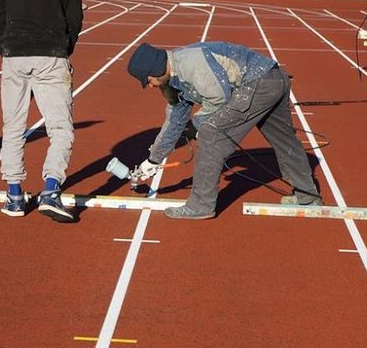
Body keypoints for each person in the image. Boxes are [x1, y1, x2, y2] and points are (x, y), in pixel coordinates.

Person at [126, 42, 321, 220]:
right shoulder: (171, 79)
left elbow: (220, 99)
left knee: (211, 135)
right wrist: (153, 159)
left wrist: (196, 125)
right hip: (274, 78)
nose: (150, 86)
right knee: (284, 140)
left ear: (157, 69)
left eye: (149, 80)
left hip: (258, 83)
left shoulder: (190, 63)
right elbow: (174, 121)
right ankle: (308, 197)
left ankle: (200, 205)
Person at [0, 0, 83, 222]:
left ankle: (14, 195)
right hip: (51, 55)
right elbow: (75, 18)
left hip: (14, 55)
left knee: (13, 127)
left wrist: (6, 49)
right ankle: (51, 189)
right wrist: (64, 48)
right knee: (60, 128)